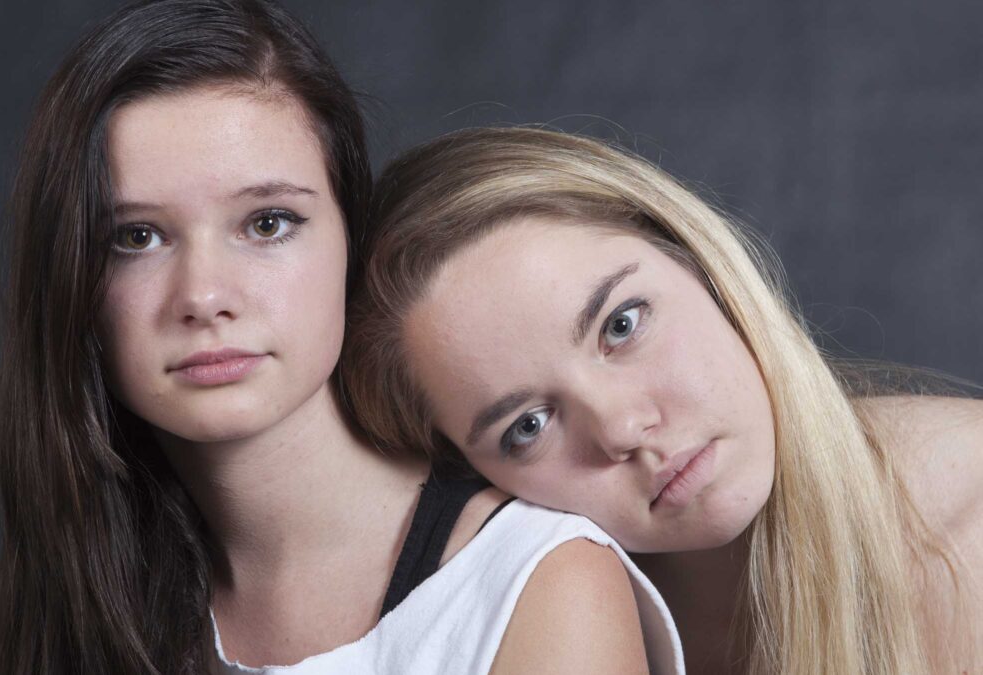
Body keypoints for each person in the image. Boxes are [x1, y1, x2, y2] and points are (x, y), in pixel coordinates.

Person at [0, 3, 676, 674]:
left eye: (267, 223)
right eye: (137, 237)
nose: (203, 296)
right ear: (67, 277)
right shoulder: (92, 586)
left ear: (352, 237)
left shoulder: (533, 582)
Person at [342, 126, 983, 674]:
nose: (622, 428)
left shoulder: (968, 529)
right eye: (528, 426)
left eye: (621, 325)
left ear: (696, 259)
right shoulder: (544, 634)